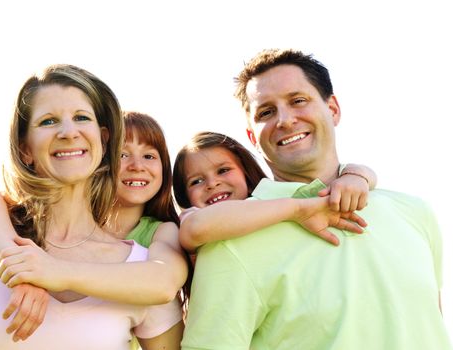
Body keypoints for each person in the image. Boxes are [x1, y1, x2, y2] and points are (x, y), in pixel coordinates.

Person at [180, 49, 452, 349]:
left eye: (298, 100)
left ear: (333, 109)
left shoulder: (414, 212)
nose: (284, 120)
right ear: (253, 136)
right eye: (266, 112)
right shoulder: (229, 241)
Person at [0, 65, 183, 349]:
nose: (68, 131)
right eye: (48, 121)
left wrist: (50, 271)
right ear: (25, 148)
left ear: (103, 139)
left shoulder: (139, 273)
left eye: (81, 117)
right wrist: (22, 267)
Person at [173, 131, 375, 251]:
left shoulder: (274, 201)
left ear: (245, 171)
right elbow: (195, 228)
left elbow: (356, 175)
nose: (212, 183)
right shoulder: (194, 217)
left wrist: (356, 175)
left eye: (223, 170)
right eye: (196, 181)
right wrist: (298, 209)